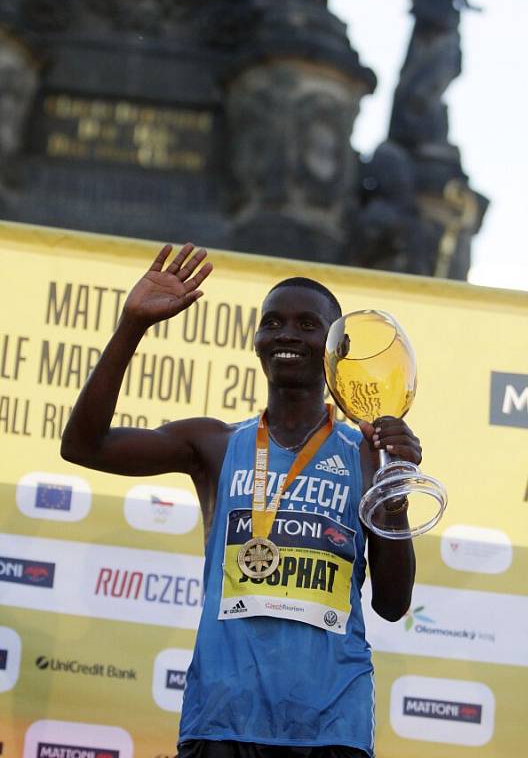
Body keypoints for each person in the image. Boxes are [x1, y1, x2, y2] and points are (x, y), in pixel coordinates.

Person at [61, 243, 421, 758]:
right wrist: (131, 327)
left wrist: (396, 491)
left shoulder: (367, 456)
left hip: (329, 726)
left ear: (335, 348)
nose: (287, 336)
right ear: (255, 341)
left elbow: (392, 604)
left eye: (306, 325)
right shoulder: (214, 444)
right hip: (222, 719)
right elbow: (83, 446)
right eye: (272, 323)